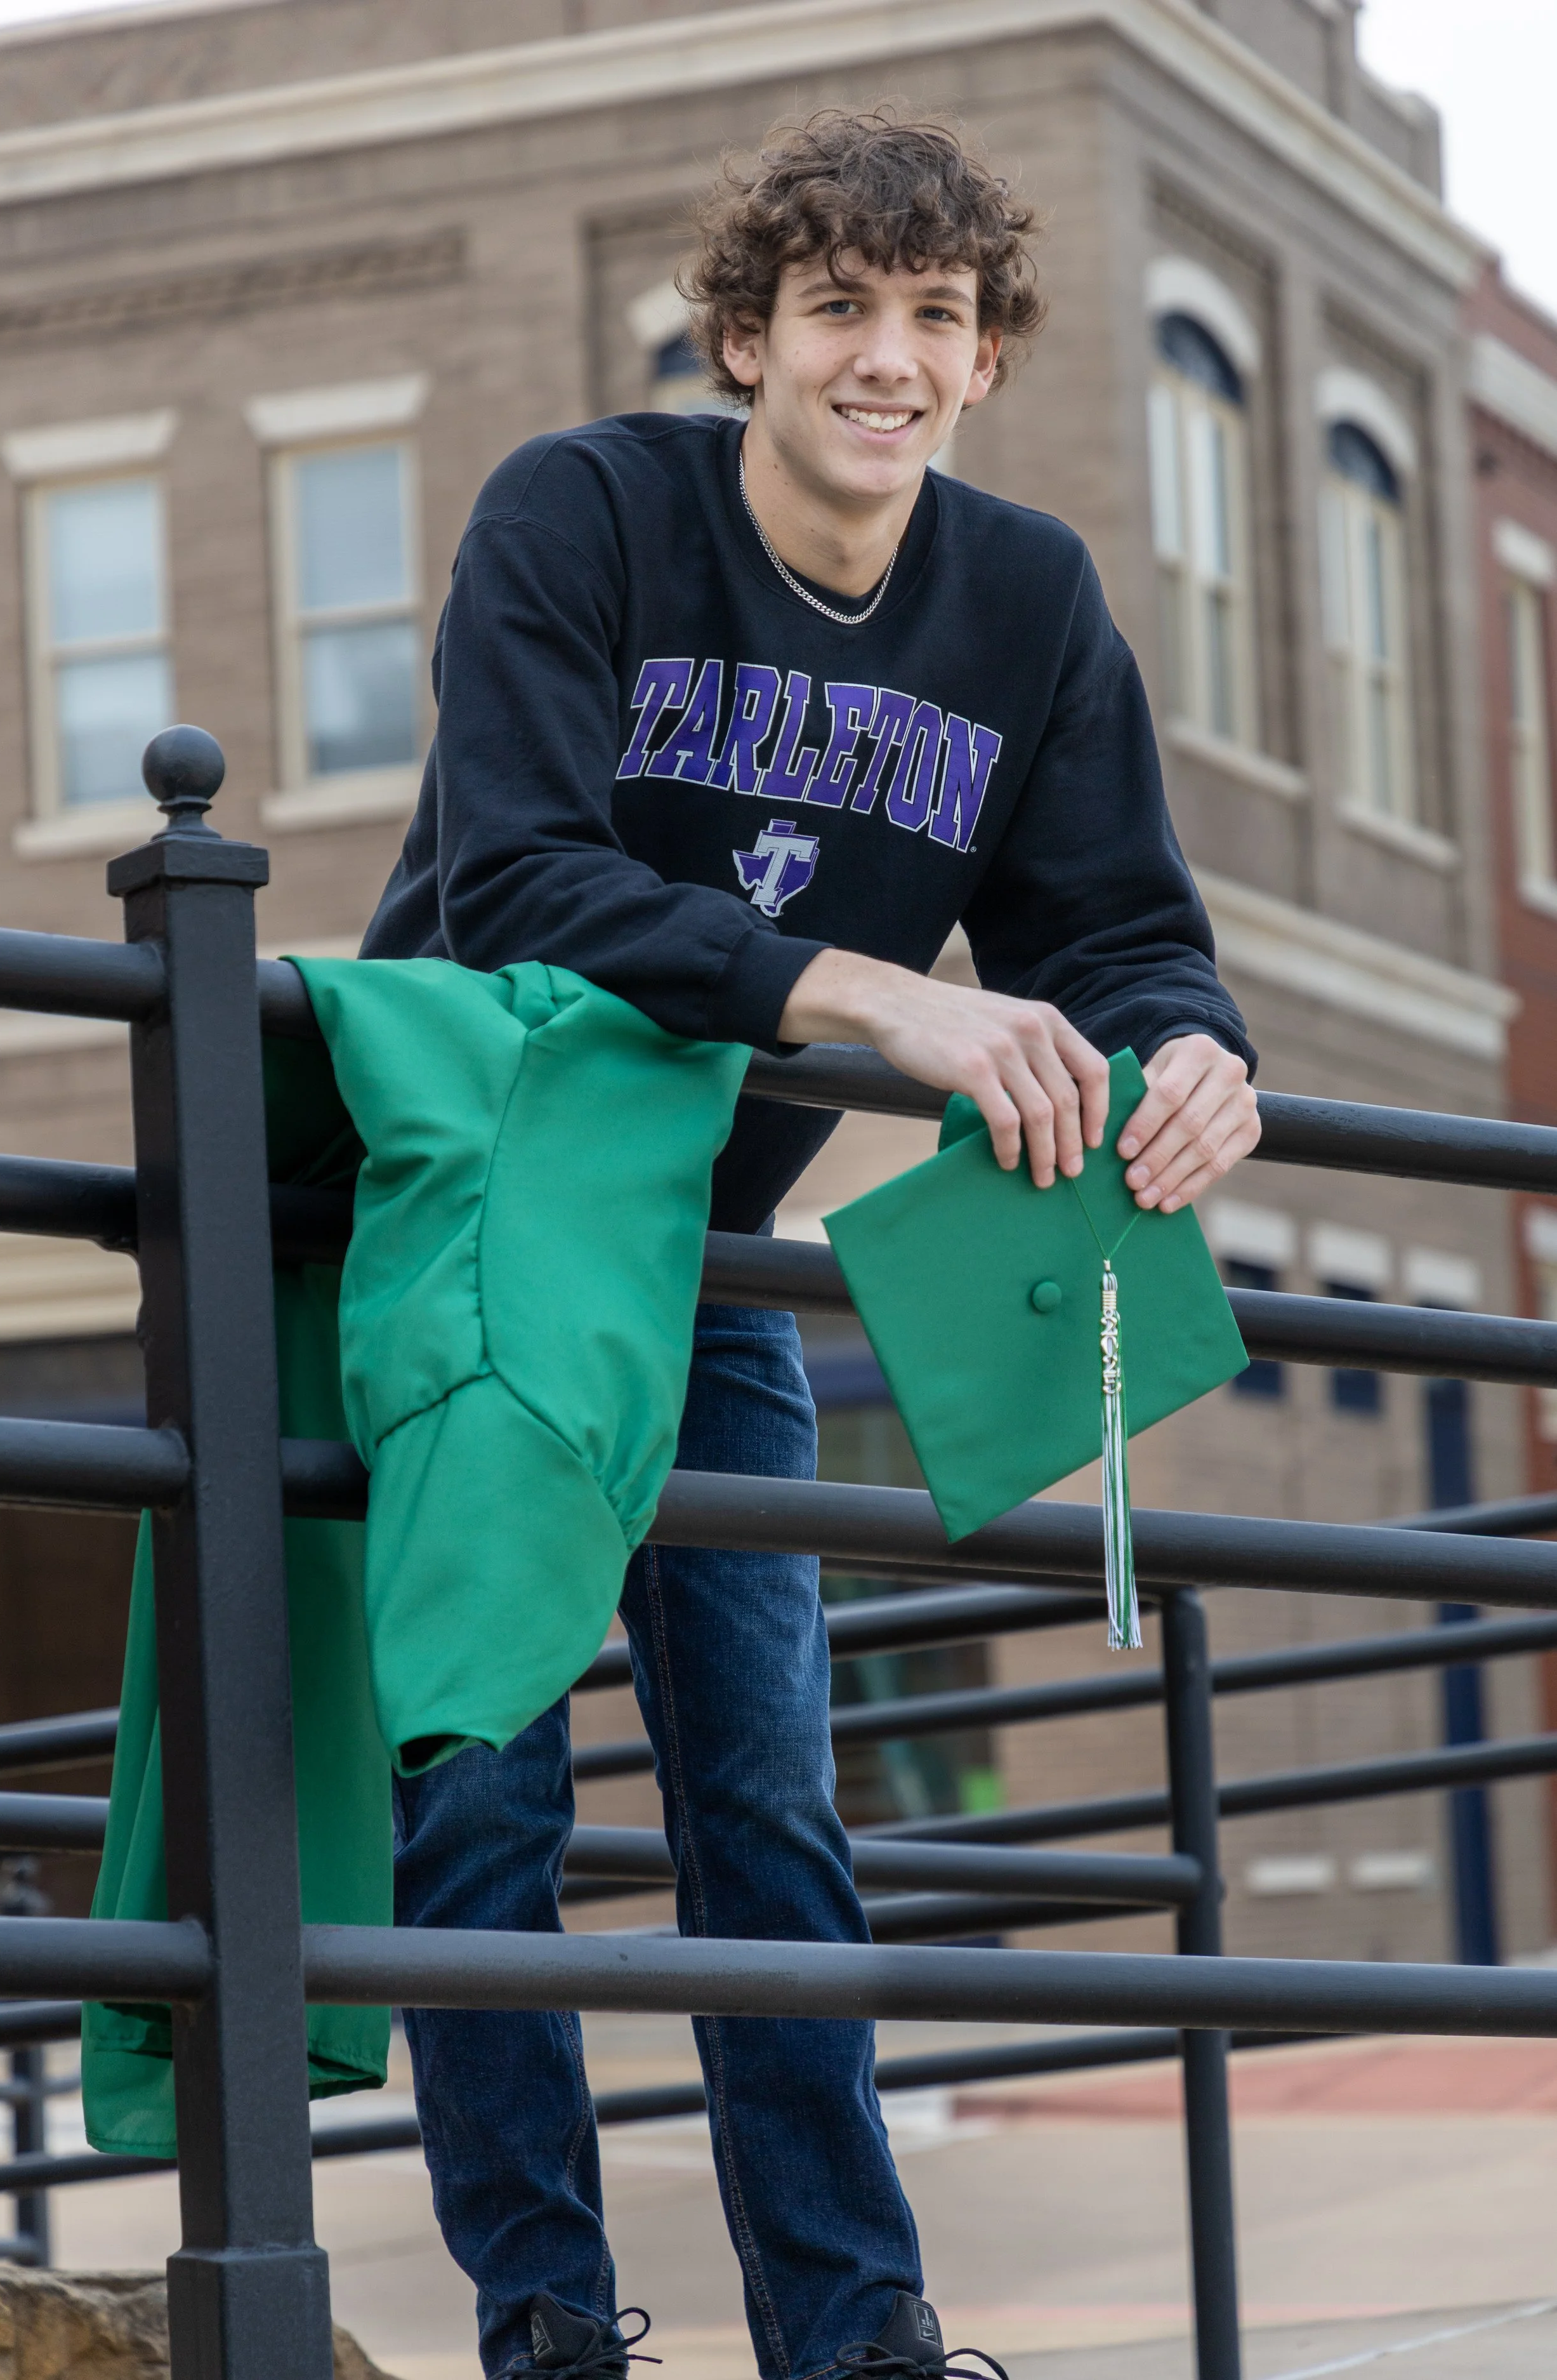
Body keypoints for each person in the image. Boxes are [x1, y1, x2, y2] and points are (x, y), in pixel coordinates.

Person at [362, 105, 1261, 2380]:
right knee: (484, 1787)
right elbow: (519, 884)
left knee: (770, 1799)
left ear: (977, 364)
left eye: (931, 318)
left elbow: (1123, 926)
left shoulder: (1027, 600)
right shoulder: (581, 511)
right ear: (745, 338)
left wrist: (1189, 1054)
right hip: (479, 1213)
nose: (885, 355)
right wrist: (890, 997)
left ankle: (857, 2342)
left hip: (726, 1253)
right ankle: (548, 2329)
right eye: (837, 309)